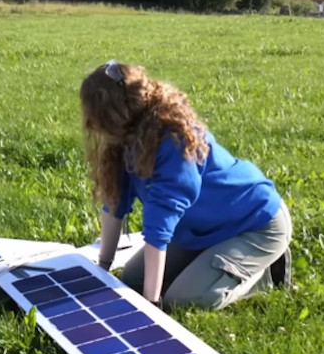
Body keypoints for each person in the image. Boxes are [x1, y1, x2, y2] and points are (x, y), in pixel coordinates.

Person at [81, 61, 292, 310]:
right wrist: (102, 268)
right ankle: (212, 264)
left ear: (115, 116)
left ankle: (266, 273)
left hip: (255, 225)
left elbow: (159, 227)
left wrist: (152, 303)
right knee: (132, 280)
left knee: (183, 300)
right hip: (201, 230)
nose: (91, 124)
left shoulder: (175, 143)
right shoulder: (124, 141)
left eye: (95, 116)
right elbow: (114, 204)